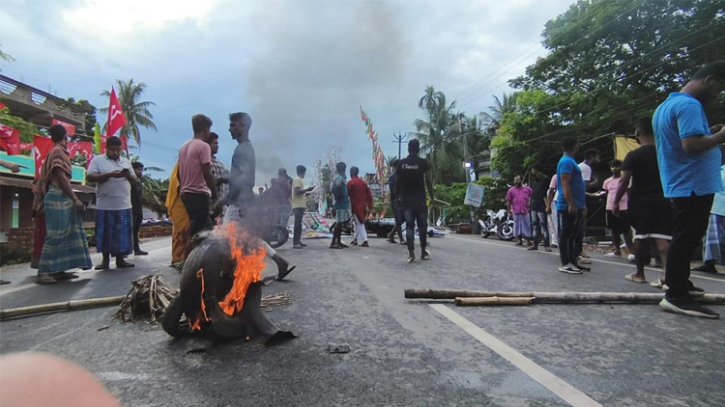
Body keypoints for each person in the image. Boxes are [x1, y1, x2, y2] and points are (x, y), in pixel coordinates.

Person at [653, 61, 725, 319]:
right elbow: (691, 145)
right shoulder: (690, 105)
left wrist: (712, 133)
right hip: (693, 184)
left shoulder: (666, 105)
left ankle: (679, 284)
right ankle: (676, 295)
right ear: (709, 80)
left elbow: (687, 140)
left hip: (682, 181)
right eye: (720, 86)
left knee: (686, 236)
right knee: (686, 238)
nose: (719, 93)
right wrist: (721, 136)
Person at [224, 112, 295, 280]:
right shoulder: (244, 149)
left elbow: (245, 178)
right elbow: (239, 178)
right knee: (245, 238)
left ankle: (238, 275)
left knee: (227, 238)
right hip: (240, 201)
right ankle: (278, 261)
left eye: (233, 125)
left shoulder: (243, 150)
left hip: (238, 203)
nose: (230, 129)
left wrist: (240, 201)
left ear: (243, 125)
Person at [31, 124, 92, 284]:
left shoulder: (57, 151)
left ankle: (59, 269)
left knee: (66, 234)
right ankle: (43, 272)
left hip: (62, 197)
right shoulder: (58, 151)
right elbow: (61, 177)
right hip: (57, 196)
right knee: (56, 235)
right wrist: (75, 199)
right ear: (65, 137)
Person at [614, 118, 671, 285]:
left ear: (637, 134)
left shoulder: (633, 155)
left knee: (640, 237)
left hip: (641, 200)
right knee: (663, 238)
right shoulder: (664, 154)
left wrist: (616, 201)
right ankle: (666, 276)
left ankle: (640, 274)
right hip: (663, 198)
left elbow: (624, 181)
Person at [87, 136, 136, 270]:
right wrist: (109, 175)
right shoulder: (98, 160)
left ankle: (121, 259)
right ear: (106, 148)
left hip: (123, 204)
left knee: (122, 234)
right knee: (105, 233)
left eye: (118, 150)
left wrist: (127, 175)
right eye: (112, 150)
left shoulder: (126, 162)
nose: (115, 153)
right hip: (105, 205)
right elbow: (89, 176)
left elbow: (135, 181)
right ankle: (105, 260)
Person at [178, 114, 217, 257]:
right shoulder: (203, 146)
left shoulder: (183, 147)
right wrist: (215, 196)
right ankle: (187, 261)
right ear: (206, 129)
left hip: (186, 193)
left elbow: (179, 174)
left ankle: (202, 262)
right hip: (199, 194)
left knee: (206, 230)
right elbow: (207, 173)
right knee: (198, 233)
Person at [395, 139, 434, 263]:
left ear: (408, 149)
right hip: (420, 200)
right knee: (422, 227)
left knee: (409, 227)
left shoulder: (401, 164)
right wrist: (432, 196)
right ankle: (423, 252)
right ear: (418, 149)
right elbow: (428, 180)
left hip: (406, 201)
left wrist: (398, 197)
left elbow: (396, 182)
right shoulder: (423, 163)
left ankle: (411, 254)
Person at [556, 137, 587, 274]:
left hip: (576, 204)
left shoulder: (570, 162)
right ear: (576, 146)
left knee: (574, 235)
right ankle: (566, 263)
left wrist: (581, 204)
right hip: (569, 205)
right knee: (567, 235)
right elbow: (564, 183)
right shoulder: (567, 162)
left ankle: (573, 261)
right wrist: (571, 204)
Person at [693, 153, 725, 274]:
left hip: (717, 208)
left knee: (712, 238)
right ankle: (709, 263)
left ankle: (709, 263)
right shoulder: (719, 170)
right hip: (716, 207)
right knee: (713, 238)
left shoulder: (720, 171)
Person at [602, 159, 633, 258]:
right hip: (610, 207)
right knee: (614, 229)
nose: (614, 168)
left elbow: (629, 193)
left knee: (626, 230)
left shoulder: (626, 179)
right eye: (612, 166)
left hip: (623, 207)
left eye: (617, 166)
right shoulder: (607, 181)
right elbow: (607, 193)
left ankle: (631, 251)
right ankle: (617, 250)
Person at [165, 162, 189, 271]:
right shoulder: (180, 169)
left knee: (186, 232)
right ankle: (177, 260)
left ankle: (184, 259)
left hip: (183, 204)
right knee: (181, 232)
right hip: (179, 204)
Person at [347, 166, 374, 247]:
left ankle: (365, 240)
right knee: (357, 222)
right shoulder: (363, 183)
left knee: (359, 223)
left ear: (351, 173)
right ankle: (355, 239)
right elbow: (369, 195)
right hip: (363, 206)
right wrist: (370, 207)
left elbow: (346, 194)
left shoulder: (351, 183)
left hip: (355, 206)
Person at [208, 132, 229, 225]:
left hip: (221, 209)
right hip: (210, 209)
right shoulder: (206, 164)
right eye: (215, 143)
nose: (217, 146)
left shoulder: (219, 164)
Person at [506, 175, 533, 246]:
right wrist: (509, 211)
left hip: (525, 210)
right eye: (515, 180)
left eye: (517, 180)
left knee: (527, 225)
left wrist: (530, 205)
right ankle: (519, 240)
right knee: (517, 226)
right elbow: (508, 201)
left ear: (521, 180)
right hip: (516, 210)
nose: (516, 181)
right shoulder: (511, 190)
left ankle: (528, 240)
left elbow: (532, 197)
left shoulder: (527, 189)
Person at [529, 164, 551, 252]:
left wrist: (548, 205)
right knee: (535, 225)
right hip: (534, 204)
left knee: (543, 225)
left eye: (532, 170)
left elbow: (548, 192)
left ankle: (546, 245)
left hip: (542, 204)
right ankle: (535, 244)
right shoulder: (534, 181)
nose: (532, 172)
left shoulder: (545, 179)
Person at [292, 165, 314, 249]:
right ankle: (296, 242)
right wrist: (307, 189)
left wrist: (307, 192)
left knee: (299, 224)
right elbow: (297, 191)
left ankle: (298, 240)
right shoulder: (298, 179)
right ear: (303, 172)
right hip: (297, 206)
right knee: (297, 224)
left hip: (299, 205)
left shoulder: (299, 180)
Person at [330, 162, 350, 249]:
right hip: (341, 204)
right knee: (338, 223)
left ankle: (338, 241)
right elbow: (336, 187)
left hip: (342, 204)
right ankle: (333, 242)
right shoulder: (339, 178)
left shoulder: (339, 178)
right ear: (343, 169)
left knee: (341, 223)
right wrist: (339, 196)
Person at [386, 159, 406, 245]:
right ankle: (400, 238)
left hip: (398, 199)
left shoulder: (396, 175)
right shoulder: (394, 175)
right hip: (396, 200)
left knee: (402, 219)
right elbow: (395, 189)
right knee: (399, 219)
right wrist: (398, 198)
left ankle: (391, 234)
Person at [130, 162, 148, 256]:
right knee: (130, 231)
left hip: (138, 209)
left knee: (136, 230)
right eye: (138, 169)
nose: (140, 172)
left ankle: (136, 249)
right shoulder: (130, 182)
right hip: (131, 209)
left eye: (141, 170)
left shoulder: (139, 182)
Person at [545, 175, 559, 248]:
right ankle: (554, 240)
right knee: (551, 224)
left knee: (555, 224)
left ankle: (556, 241)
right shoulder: (550, 190)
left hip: (555, 206)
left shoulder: (555, 190)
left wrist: (548, 206)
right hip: (551, 207)